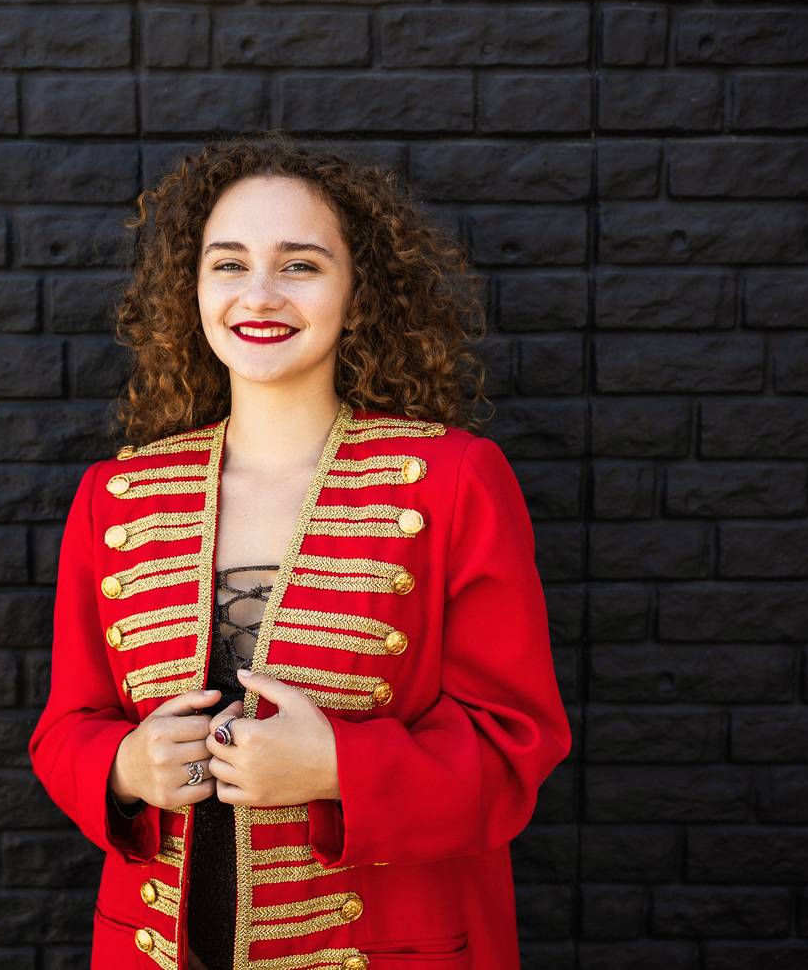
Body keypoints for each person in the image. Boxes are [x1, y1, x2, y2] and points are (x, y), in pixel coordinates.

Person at [28, 130, 572, 970]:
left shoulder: (454, 480)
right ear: (193, 290)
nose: (260, 294)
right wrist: (125, 766)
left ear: (357, 295)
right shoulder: (117, 494)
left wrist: (338, 766)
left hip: (387, 946)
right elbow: (67, 725)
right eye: (229, 263)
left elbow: (513, 744)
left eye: (301, 265)